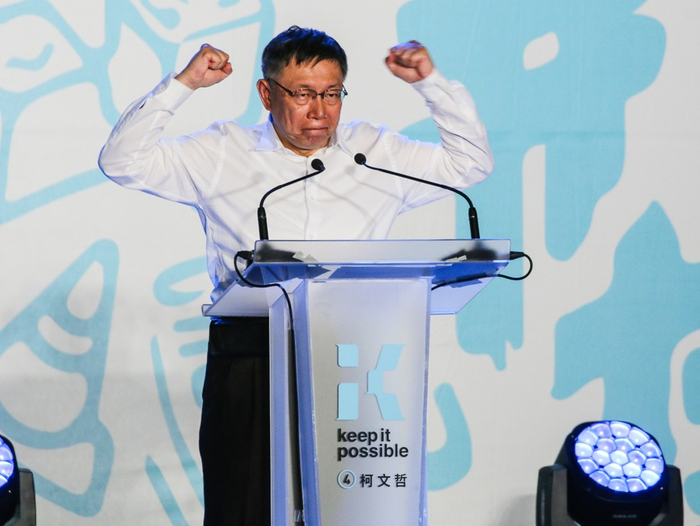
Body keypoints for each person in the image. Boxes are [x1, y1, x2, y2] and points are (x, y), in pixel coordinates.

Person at [99, 25, 493, 525]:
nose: (320, 111)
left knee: (353, 510)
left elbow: (470, 163)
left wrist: (431, 85)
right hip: (252, 355)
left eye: (332, 94)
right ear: (267, 94)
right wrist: (184, 85)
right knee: (243, 509)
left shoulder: (373, 153)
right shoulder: (222, 152)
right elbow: (122, 161)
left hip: (356, 361)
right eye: (303, 94)